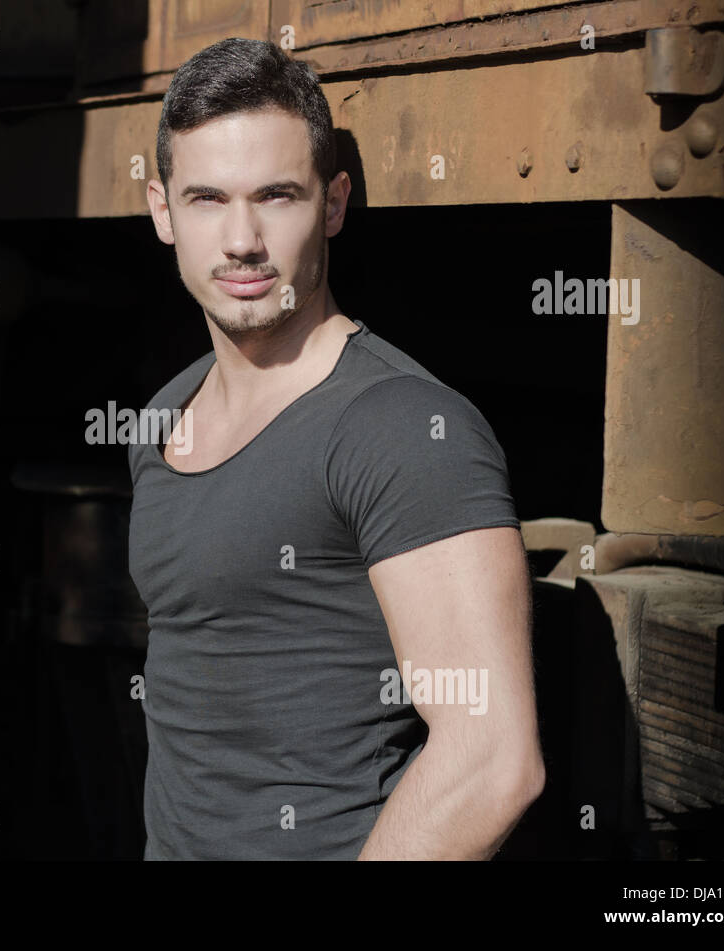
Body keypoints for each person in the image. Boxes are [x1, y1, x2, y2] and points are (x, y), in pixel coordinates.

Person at [127, 37, 544, 860]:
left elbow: (492, 759)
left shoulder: (404, 428)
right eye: (207, 198)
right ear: (161, 210)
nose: (241, 239)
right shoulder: (161, 419)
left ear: (333, 203)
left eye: (276, 196)